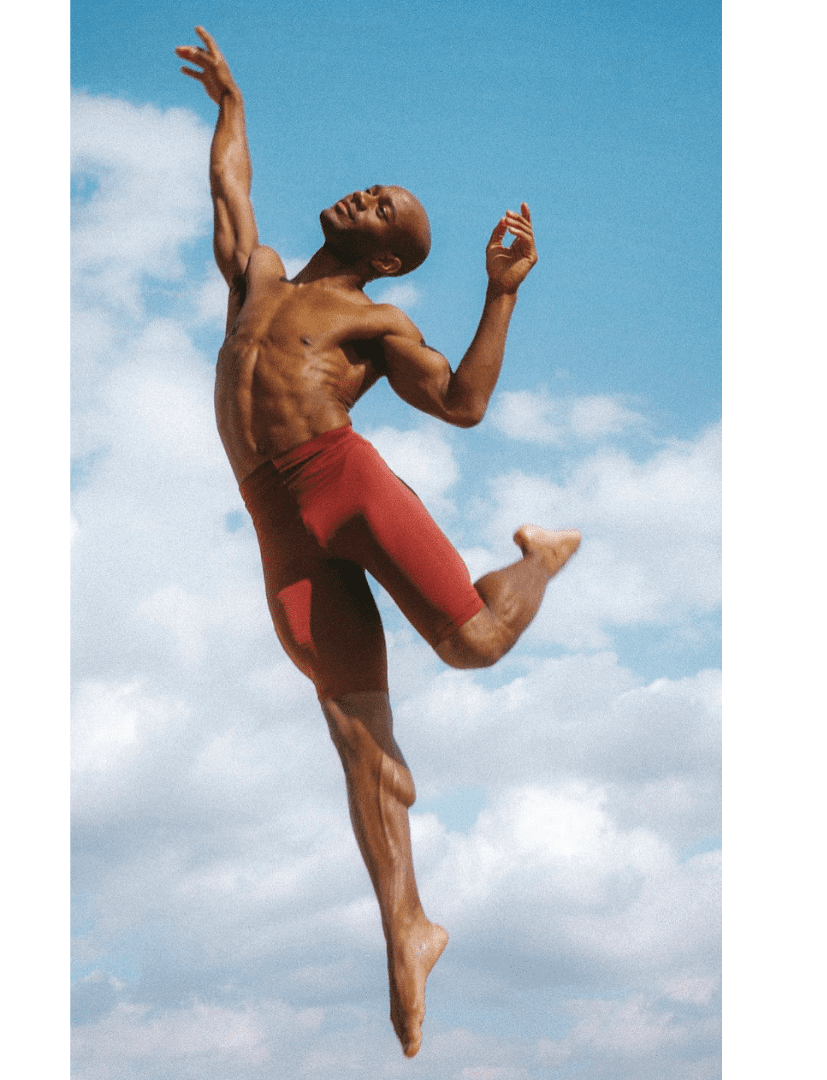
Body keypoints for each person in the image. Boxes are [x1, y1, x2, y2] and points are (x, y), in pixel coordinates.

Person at [176, 25, 582, 1058]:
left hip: (343, 484)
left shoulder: (378, 321)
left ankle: (537, 556)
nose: (365, 196)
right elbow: (231, 194)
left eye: (384, 209)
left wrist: (498, 294)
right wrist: (232, 105)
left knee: (474, 644)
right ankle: (408, 925)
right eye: (370, 189)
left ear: (389, 256)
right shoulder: (259, 280)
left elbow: (463, 403)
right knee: (358, 737)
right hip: (279, 527)